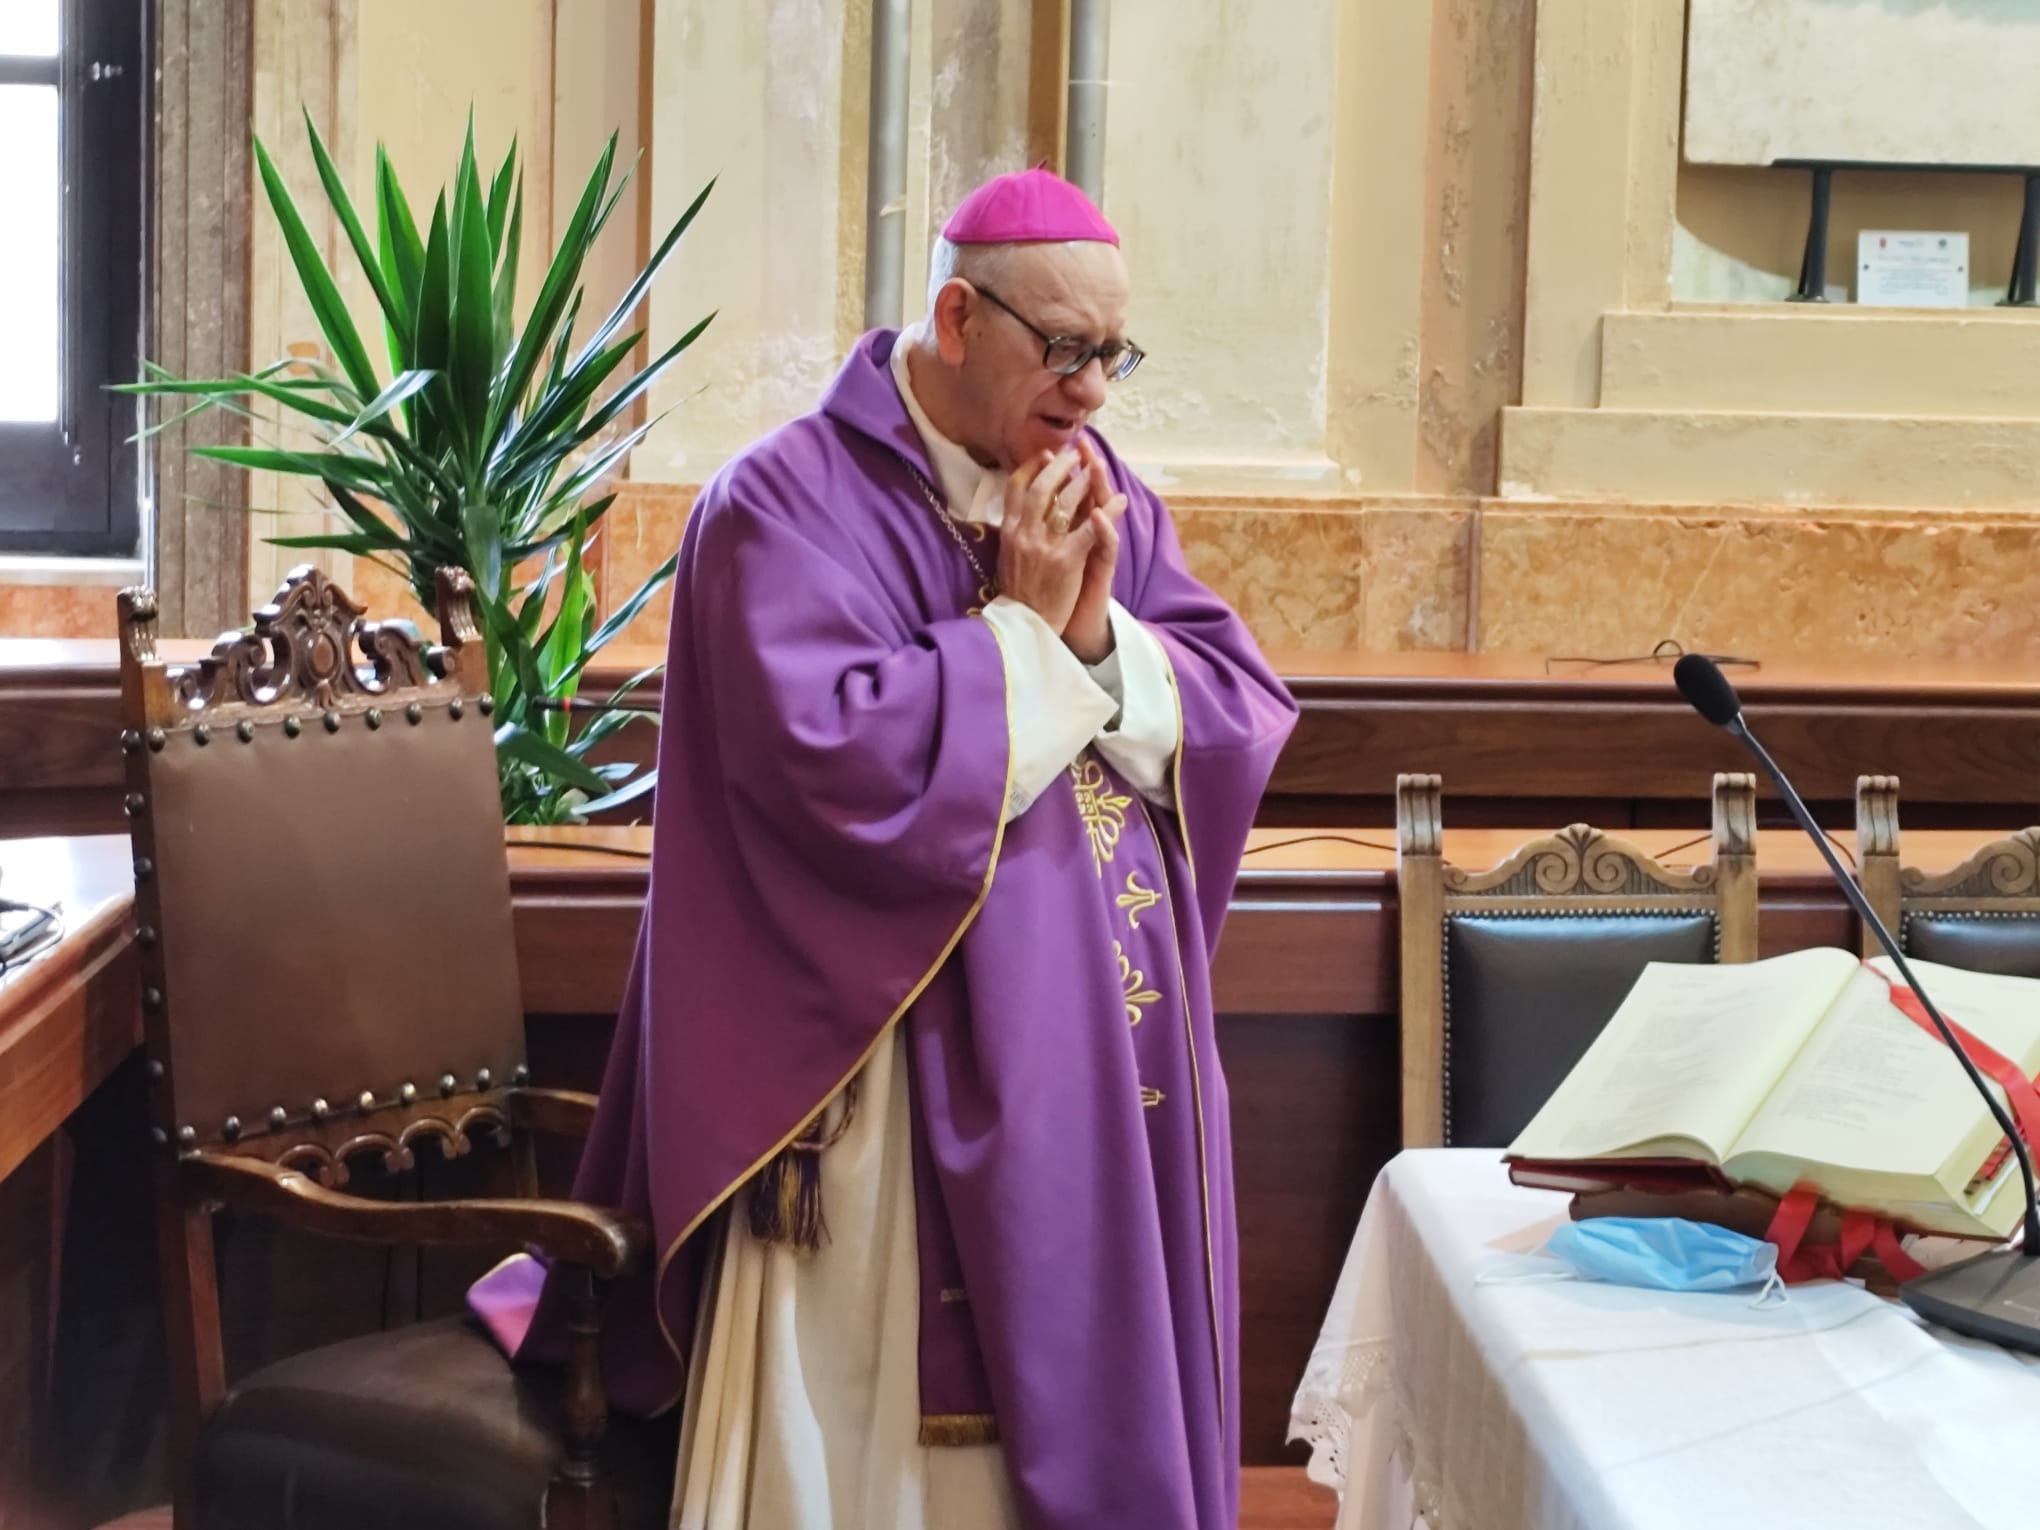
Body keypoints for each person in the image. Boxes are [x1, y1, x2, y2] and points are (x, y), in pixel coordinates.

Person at [472, 167, 1297, 1530]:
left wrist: (1092, 638)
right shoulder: (782, 507)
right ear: (960, 317)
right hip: (870, 1101)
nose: (1094, 390)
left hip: (1087, 1066)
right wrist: (1023, 638)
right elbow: (832, 768)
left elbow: (1231, 699)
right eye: (1067, 349)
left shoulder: (1096, 491)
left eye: (1114, 354)